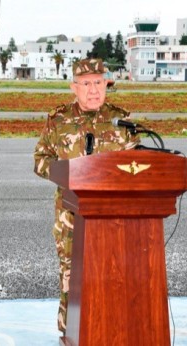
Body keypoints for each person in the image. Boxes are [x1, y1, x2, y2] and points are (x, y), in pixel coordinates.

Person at [33, 58, 140, 334]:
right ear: (74, 88)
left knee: (114, 274)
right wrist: (69, 173)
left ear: (106, 84)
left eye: (98, 83)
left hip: (114, 216)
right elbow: (41, 160)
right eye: (86, 84)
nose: (93, 90)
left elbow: (137, 165)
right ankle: (70, 332)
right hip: (71, 215)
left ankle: (110, 330)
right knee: (73, 275)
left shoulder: (122, 119)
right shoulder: (58, 119)